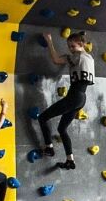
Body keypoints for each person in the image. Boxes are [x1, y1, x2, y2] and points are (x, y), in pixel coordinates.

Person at [39, 31, 94, 170]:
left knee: (42, 117)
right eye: (69, 47)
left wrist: (49, 41)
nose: (71, 49)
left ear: (81, 44)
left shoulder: (77, 56)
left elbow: (56, 60)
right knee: (62, 128)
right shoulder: (90, 58)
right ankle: (70, 160)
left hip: (74, 96)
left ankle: (49, 147)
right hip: (81, 97)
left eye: (73, 46)